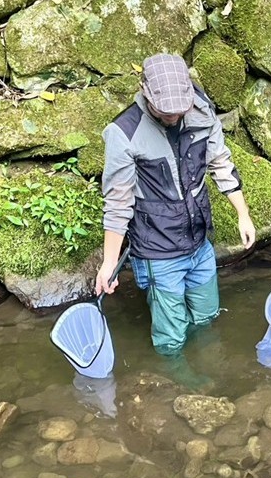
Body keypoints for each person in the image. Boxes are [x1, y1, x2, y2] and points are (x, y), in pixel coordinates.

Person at [95, 53, 256, 356]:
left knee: (208, 316)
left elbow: (220, 163)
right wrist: (108, 263)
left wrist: (243, 215)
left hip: (199, 241)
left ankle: (211, 370)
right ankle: (173, 385)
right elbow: (118, 203)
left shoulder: (201, 109)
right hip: (158, 252)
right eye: (165, 111)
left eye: (179, 110)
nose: (174, 116)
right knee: (172, 338)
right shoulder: (124, 133)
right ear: (145, 91)